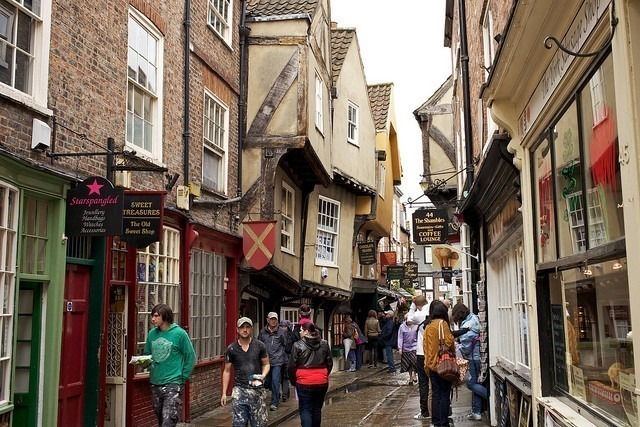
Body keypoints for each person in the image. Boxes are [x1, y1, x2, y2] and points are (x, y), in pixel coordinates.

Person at [143, 304, 196, 427]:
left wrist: (183, 377)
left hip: (173, 382)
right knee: (160, 418)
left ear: (165, 316)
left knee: (169, 418)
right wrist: (144, 363)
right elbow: (147, 355)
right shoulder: (152, 334)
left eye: (156, 316)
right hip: (156, 381)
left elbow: (191, 356)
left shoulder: (179, 334)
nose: (153, 319)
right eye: (152, 316)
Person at [222, 317, 270, 427]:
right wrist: (224, 393)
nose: (245, 330)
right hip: (239, 390)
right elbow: (227, 371)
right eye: (242, 327)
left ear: (251, 329)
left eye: (247, 327)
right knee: (239, 424)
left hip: (257, 390)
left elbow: (266, 364)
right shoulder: (231, 349)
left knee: (259, 424)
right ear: (237, 330)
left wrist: (263, 376)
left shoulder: (260, 346)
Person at [288, 322, 333, 427]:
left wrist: (293, 381)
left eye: (301, 330)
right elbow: (329, 363)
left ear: (306, 332)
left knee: (305, 409)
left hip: (304, 381)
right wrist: (324, 375)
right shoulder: (324, 344)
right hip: (321, 380)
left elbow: (291, 366)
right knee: (317, 408)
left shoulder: (297, 345)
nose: (299, 332)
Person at [452, 303, 487, 421]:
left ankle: (489, 397)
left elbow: (466, 347)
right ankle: (476, 412)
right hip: (479, 356)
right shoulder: (474, 317)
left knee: (471, 384)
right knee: (477, 383)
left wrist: (457, 346)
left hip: (472, 358)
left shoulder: (467, 325)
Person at [424, 300, 455, 427]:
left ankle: (436, 422)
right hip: (443, 364)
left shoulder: (428, 326)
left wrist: (428, 364)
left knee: (436, 394)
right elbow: (449, 342)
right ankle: (444, 422)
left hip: (432, 365)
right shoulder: (443, 324)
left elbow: (425, 347)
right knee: (444, 394)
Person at [257, 312, 287, 411]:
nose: (273, 321)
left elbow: (285, 344)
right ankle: (276, 393)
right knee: (267, 382)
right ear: (268, 320)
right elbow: (259, 344)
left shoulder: (281, 332)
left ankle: (275, 402)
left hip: (277, 361)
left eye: (275, 319)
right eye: (271, 319)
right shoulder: (262, 332)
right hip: (266, 361)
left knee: (275, 381)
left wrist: (282, 356)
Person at [408, 295, 431, 420]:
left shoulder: (419, 315)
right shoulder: (434, 311)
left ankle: (425, 411)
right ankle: (439, 409)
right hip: (434, 352)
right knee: (436, 382)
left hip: (422, 352)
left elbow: (409, 318)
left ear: (418, 306)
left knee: (423, 382)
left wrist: (413, 305)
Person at [398, 314, 418, 385]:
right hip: (405, 348)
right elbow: (400, 337)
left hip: (414, 347)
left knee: (414, 361)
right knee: (408, 364)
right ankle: (410, 377)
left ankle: (415, 375)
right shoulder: (402, 327)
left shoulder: (416, 326)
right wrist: (400, 348)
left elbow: (418, 336)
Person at [279, 319, 295, 402]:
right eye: (281, 326)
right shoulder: (278, 334)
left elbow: (290, 348)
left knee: (285, 376)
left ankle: (284, 394)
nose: (283, 328)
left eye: (284, 326)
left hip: (288, 358)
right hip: (279, 358)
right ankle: (286, 392)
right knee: (281, 377)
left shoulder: (291, 336)